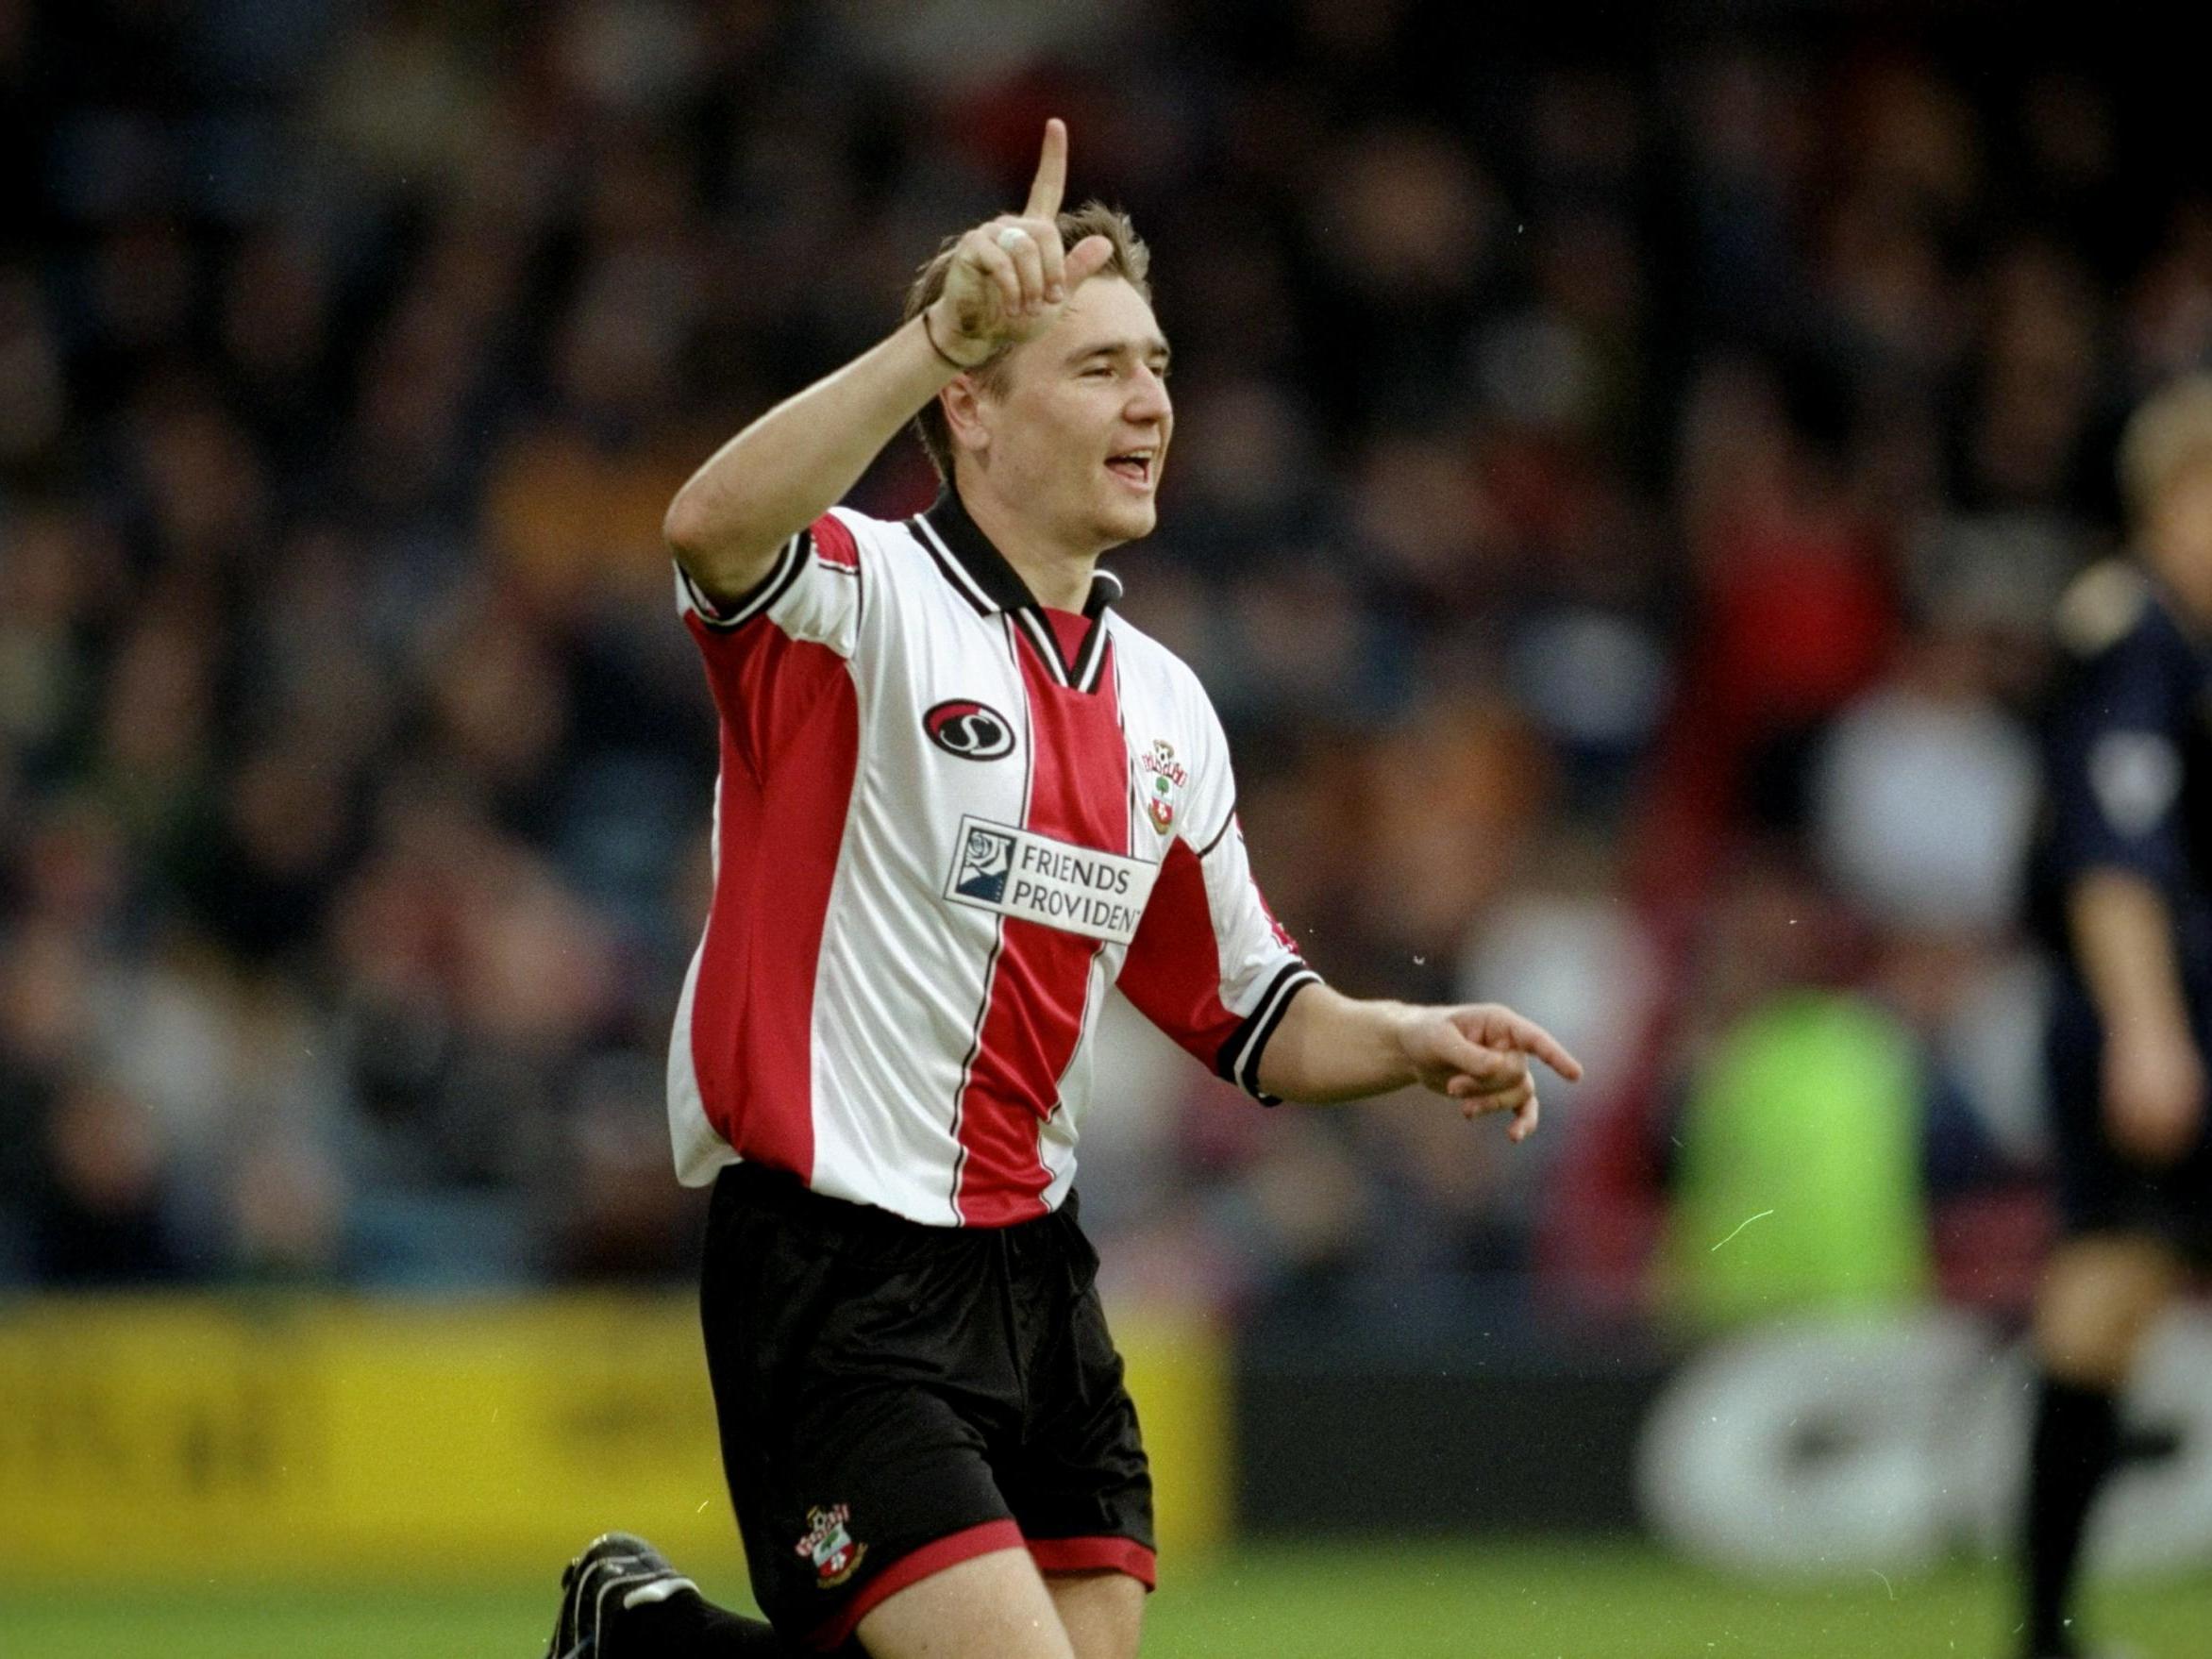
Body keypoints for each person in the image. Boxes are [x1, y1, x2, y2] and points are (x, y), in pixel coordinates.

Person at [546, 119, 1581, 1659]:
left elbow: (1251, 1010)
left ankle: (643, 1642)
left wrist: (1405, 1038)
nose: (1151, 401)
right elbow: (708, 526)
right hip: (841, 1271)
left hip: (1038, 1273)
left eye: (1156, 364)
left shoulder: (1163, 703)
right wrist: (925, 332)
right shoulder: (858, 597)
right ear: (970, 405)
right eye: (1098, 367)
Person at [2018, 374, 2212, 1659]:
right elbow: (2112, 856)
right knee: (2102, 1286)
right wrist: (2149, 1029)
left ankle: (2048, 1631)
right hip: (2154, 1021)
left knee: (2109, 1287)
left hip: (2163, 1016)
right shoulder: (2136, 634)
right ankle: (2046, 1631)